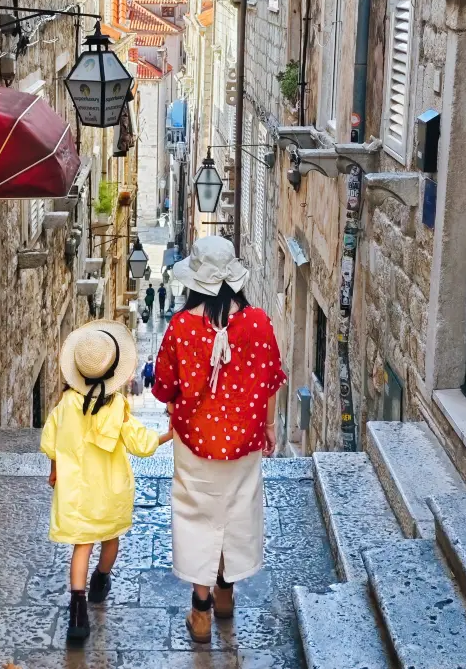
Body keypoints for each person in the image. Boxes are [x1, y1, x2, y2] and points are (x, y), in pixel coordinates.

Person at [152, 236, 285, 644]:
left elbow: (164, 387)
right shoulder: (259, 322)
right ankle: (226, 595)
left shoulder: (180, 328)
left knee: (197, 518)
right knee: (236, 513)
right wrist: (269, 428)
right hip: (244, 442)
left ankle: (202, 610)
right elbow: (270, 382)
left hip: (195, 442)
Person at [41, 321, 173, 643]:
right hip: (111, 491)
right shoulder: (117, 408)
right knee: (110, 539)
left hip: (76, 490)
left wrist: (55, 468)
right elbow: (141, 444)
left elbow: (50, 441)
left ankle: (77, 614)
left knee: (81, 546)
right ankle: (101, 580)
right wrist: (170, 434)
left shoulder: (66, 405)